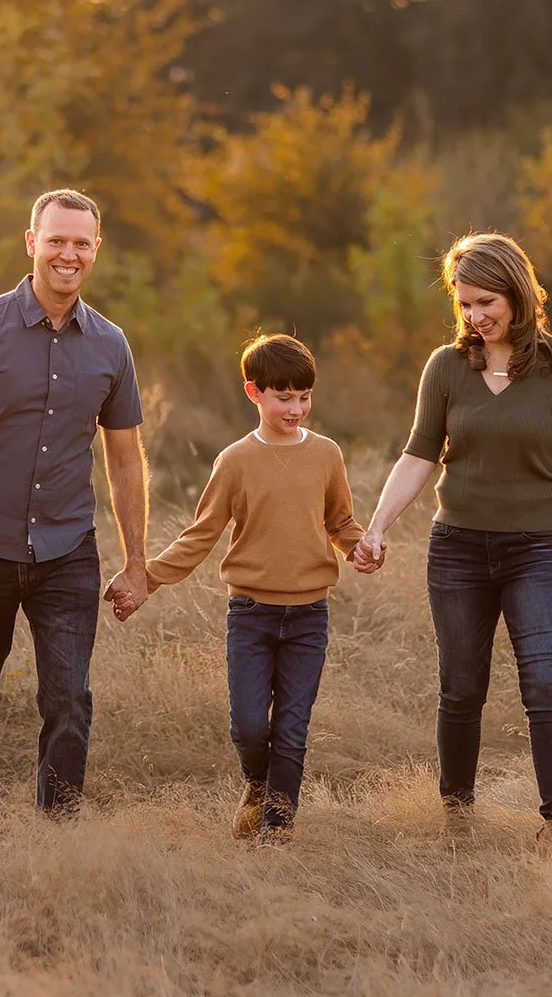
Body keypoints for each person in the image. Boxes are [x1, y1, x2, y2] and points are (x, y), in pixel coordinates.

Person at [352, 232, 552, 851]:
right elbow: (418, 456)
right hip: (458, 549)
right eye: (464, 304)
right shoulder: (446, 367)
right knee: (462, 686)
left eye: (486, 302)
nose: (475, 316)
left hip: (536, 550)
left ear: (518, 295)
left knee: (546, 683)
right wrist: (378, 526)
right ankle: (457, 815)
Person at [0, 189, 152, 824]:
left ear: (95, 250)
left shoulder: (111, 345)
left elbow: (126, 459)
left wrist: (137, 563)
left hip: (66, 552)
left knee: (69, 704)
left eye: (81, 243)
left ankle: (58, 837)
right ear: (31, 243)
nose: (67, 254)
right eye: (55, 240)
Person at [115, 333, 371, 844]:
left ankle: (278, 829)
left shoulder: (327, 454)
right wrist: (147, 578)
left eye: (304, 397)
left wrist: (359, 546)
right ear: (254, 392)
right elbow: (201, 534)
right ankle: (257, 784)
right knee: (251, 727)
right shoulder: (234, 461)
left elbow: (340, 521)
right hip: (250, 615)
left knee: (292, 729)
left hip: (309, 617)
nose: (296, 408)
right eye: (284, 398)